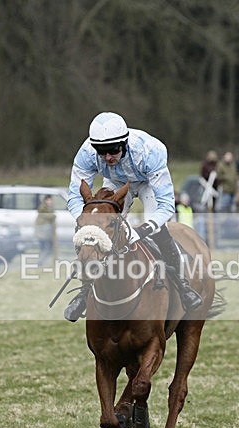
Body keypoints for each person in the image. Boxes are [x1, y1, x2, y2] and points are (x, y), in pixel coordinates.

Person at [64, 111, 203, 322]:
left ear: (124, 143)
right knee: (100, 235)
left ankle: (182, 285)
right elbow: (74, 197)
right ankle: (84, 293)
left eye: (112, 150)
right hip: (116, 184)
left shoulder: (150, 151)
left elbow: (166, 205)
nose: (107, 157)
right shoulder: (86, 152)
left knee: (158, 229)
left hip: (148, 183)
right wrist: (87, 225)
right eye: (101, 152)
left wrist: (144, 229)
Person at [34, 195, 56, 266]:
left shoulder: (49, 209)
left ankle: (41, 262)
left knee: (47, 249)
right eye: (48, 200)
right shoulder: (43, 209)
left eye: (51, 200)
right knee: (45, 248)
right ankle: (40, 262)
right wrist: (53, 216)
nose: (50, 202)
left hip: (46, 233)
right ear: (45, 201)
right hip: (43, 234)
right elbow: (42, 222)